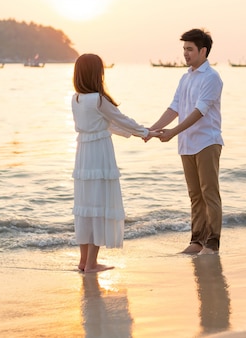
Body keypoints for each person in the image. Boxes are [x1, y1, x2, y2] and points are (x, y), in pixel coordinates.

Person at [72, 53, 158, 272]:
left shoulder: (77, 98)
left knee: (86, 207)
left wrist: (139, 133)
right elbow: (120, 119)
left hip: (83, 157)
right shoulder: (99, 100)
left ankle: (84, 262)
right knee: (99, 205)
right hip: (100, 155)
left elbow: (107, 124)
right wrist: (145, 132)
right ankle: (91, 263)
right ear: (97, 74)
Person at [147, 29, 224, 255]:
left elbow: (200, 111)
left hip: (207, 142)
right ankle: (197, 241)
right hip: (187, 144)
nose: (186, 54)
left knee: (209, 193)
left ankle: (212, 243)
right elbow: (175, 108)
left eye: (190, 49)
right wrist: (151, 130)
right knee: (195, 196)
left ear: (203, 50)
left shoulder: (212, 77)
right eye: (184, 49)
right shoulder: (185, 77)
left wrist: (172, 132)